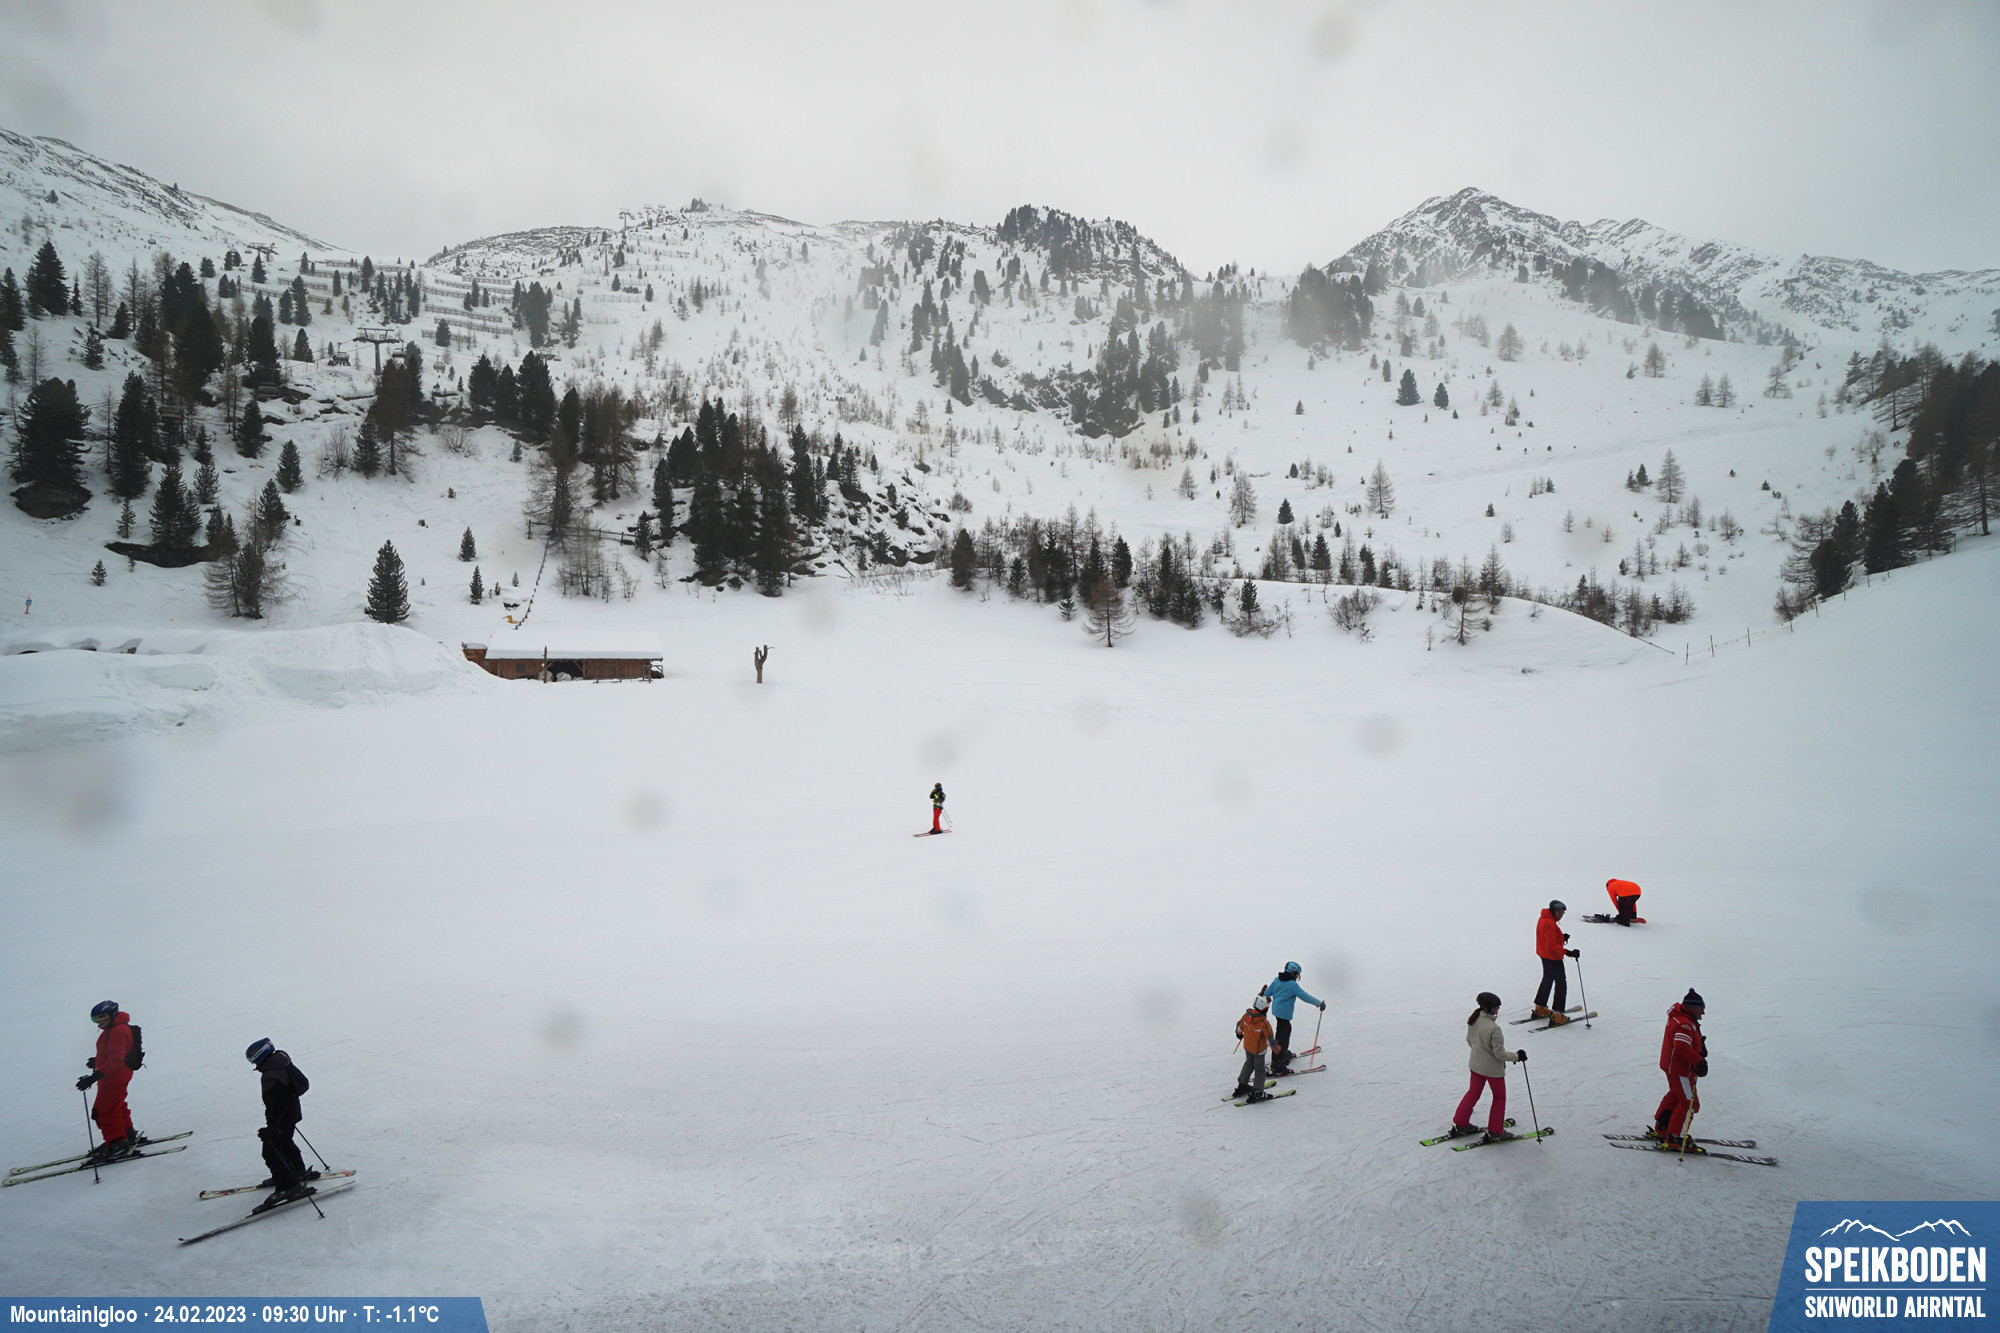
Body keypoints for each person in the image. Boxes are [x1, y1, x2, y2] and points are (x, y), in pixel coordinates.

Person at [245, 1037, 319, 1212]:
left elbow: (278, 1103)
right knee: (285, 1142)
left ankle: (288, 1186)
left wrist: (272, 1127)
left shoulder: (271, 1074)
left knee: (271, 1151)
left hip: (282, 1117)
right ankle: (297, 1171)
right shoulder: (281, 1062)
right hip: (292, 1113)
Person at [1447, 992, 1527, 1143]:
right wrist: (1517, 1056)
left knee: (1473, 1093)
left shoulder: (1474, 1019)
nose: (1498, 1010)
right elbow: (1499, 1054)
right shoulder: (1494, 1028)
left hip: (1475, 1065)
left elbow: (1469, 1040)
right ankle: (1495, 1131)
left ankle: (1461, 1123)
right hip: (1492, 1071)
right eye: (1496, 1007)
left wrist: (1480, 1052)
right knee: (1499, 1098)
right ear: (1488, 1007)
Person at [77, 1001, 140, 1163]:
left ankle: (117, 1144)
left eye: (103, 1017)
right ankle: (127, 1135)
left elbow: (116, 1059)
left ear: (112, 1014)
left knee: (104, 1111)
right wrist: (97, 1061)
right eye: (95, 1019)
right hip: (118, 1075)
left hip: (114, 1077)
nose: (99, 1021)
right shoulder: (115, 1028)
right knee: (117, 1105)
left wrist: (94, 1076)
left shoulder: (117, 1031)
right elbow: (116, 1052)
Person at [1651, 990, 1708, 1151]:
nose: (1703, 1012)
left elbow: (1685, 1043)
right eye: (1701, 1008)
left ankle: (1663, 1127)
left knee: (1676, 1095)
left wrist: (1699, 1048)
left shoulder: (1683, 1019)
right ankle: (1676, 1137)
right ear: (1692, 1007)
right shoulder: (1684, 1024)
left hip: (1675, 1067)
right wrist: (1699, 1061)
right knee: (1689, 1103)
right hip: (1680, 1070)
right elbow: (1681, 1045)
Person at [1263, 962, 1325, 1074]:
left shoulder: (1277, 980)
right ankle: (1277, 1064)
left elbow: (1267, 993)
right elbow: (1305, 996)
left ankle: (1283, 1055)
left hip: (1277, 1011)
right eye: (1297, 974)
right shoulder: (1292, 985)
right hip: (1284, 1013)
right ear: (1294, 974)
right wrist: (1319, 1003)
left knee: (1284, 1032)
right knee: (1282, 1037)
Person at [1533, 900, 1580, 1023]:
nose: (1561, 915)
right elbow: (1552, 946)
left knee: (1547, 979)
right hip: (1552, 957)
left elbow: (1548, 938)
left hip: (1544, 954)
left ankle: (1540, 1007)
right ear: (1553, 911)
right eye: (1559, 912)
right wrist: (1569, 952)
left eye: (1563, 913)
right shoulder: (1550, 923)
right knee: (1561, 983)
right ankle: (1557, 1014)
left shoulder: (1544, 918)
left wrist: (1561, 938)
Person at [1232, 994, 1275, 1103]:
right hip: (1259, 1051)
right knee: (1260, 1069)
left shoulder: (1246, 1016)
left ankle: (1242, 1085)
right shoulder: (1264, 1023)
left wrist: (1239, 1034)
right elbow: (1269, 1038)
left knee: (1248, 1064)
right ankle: (1258, 1092)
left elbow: (1239, 1026)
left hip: (1248, 1047)